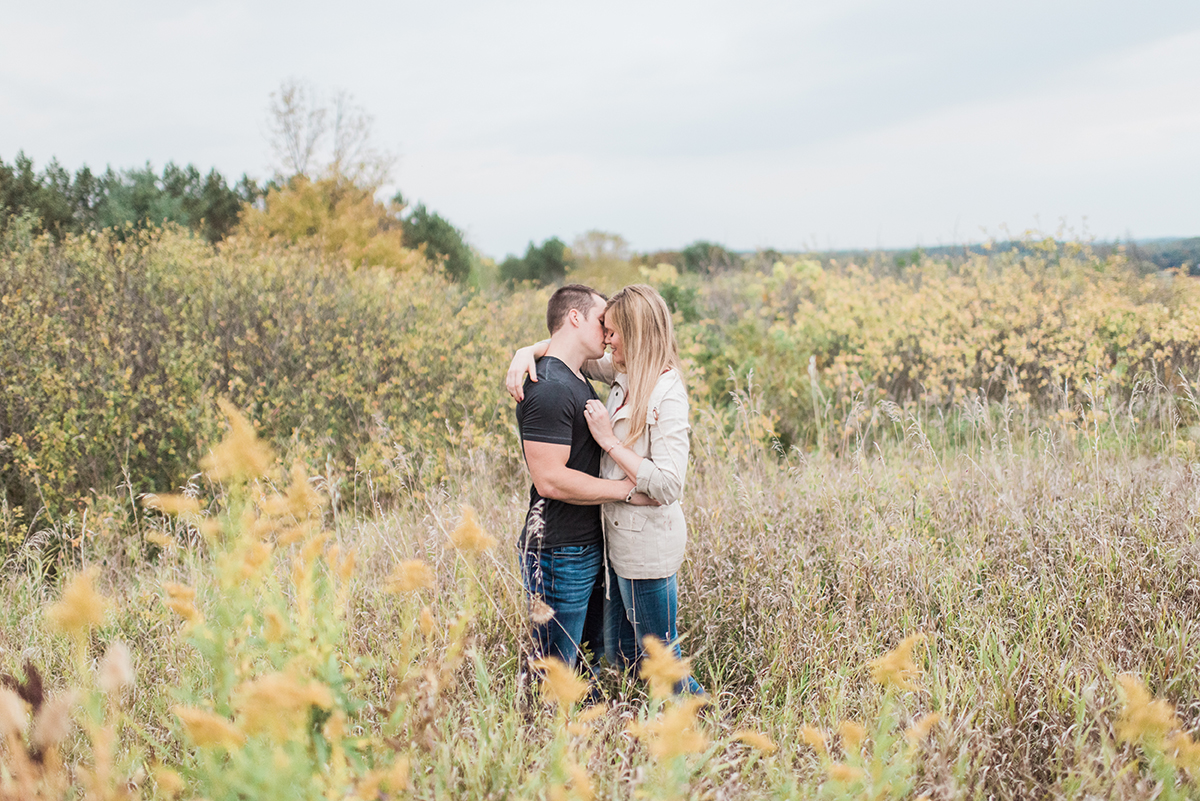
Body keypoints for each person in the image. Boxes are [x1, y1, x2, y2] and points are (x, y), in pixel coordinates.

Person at [508, 284, 703, 694]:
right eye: (603, 326)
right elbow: (566, 347)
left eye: (612, 330)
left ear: (633, 333)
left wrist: (609, 443)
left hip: (644, 547)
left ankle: (700, 724)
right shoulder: (619, 370)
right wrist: (525, 351)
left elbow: (668, 483)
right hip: (612, 544)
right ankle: (637, 730)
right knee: (626, 654)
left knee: (658, 656)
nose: (608, 337)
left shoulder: (664, 390)